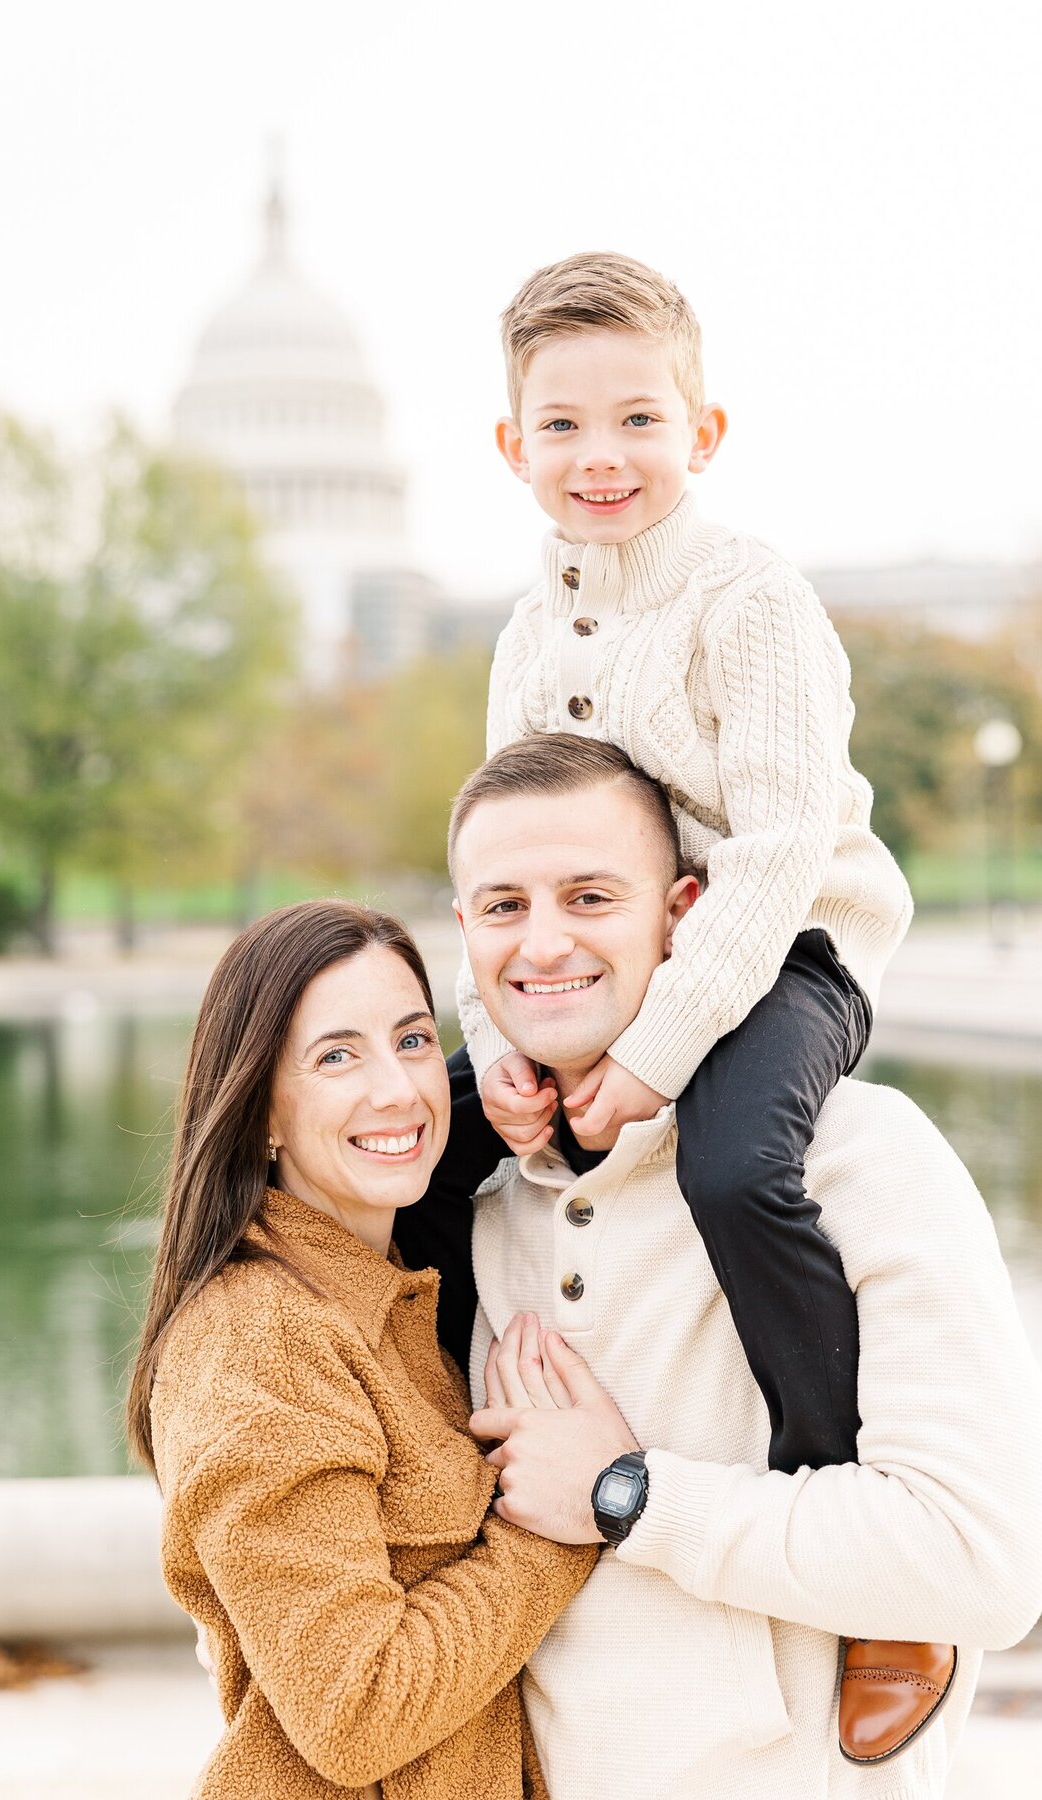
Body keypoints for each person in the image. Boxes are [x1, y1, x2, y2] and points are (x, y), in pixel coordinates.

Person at [445, 247, 944, 1759]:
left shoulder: (751, 599)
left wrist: (658, 1055)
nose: (602, 459)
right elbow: (497, 846)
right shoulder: (527, 638)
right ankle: (443, 1495)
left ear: (702, 433)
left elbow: (787, 842)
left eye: (639, 422)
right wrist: (498, 1048)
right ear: (511, 446)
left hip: (791, 945)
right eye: (564, 427)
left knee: (738, 1163)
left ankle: (865, 1559)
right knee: (432, 1154)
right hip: (615, 955)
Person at [404, 735, 1042, 1798]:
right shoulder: (465, 1212)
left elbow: (982, 1565)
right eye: (504, 905)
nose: (544, 940)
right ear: (464, 931)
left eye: (592, 896)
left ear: (685, 912)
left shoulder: (859, 1158)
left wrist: (627, 1495)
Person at [125, 899, 598, 1800]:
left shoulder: (388, 1292)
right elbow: (355, 1709)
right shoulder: (259, 1340)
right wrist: (558, 1526)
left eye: (414, 1040)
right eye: (337, 1055)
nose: (398, 1089)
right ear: (259, 1107)